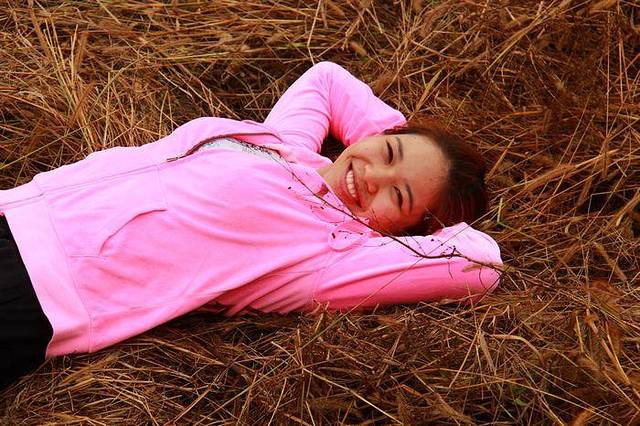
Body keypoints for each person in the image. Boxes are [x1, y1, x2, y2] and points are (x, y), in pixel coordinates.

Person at [0, 61, 502, 389]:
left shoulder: (327, 256)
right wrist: (392, 139)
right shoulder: (285, 144)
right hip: (15, 213)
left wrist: (404, 233)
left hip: (36, 293)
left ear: (405, 230)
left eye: (399, 195)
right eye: (388, 152)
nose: (373, 176)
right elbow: (327, 80)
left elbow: (478, 264)